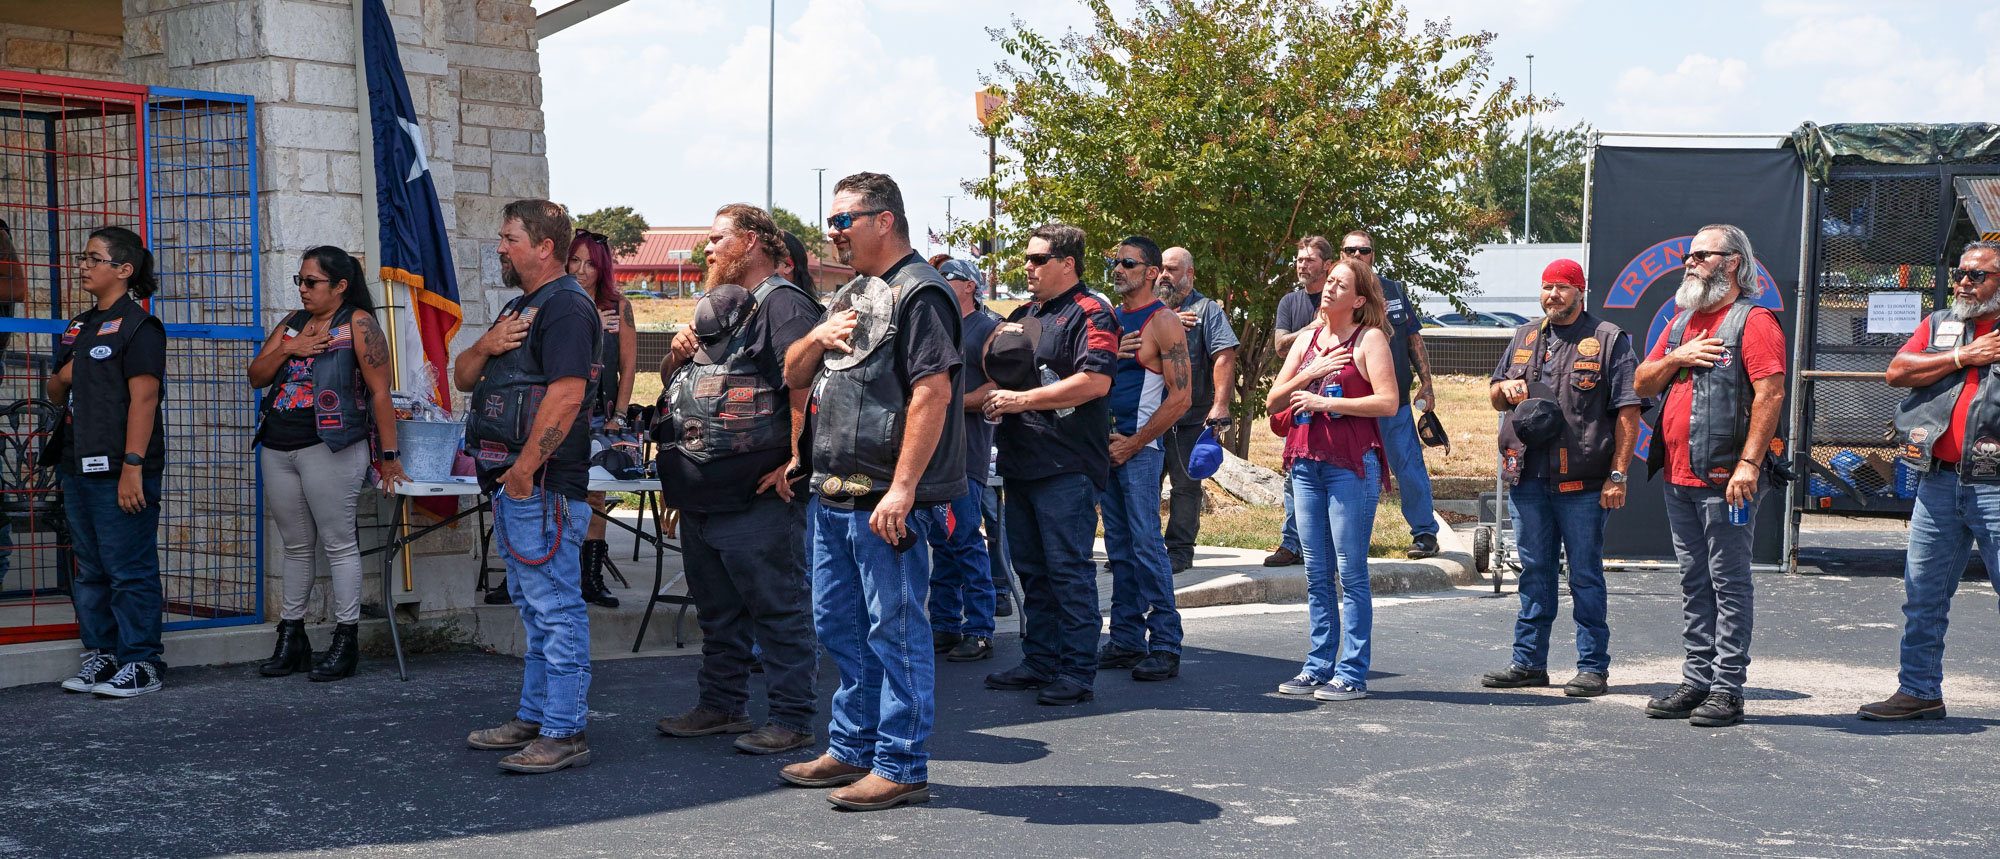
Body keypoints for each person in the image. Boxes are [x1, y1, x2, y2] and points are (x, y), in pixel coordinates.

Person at [780, 172, 963, 811]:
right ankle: (852, 747)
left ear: (884, 221)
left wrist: (904, 488)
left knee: (897, 632)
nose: (833, 232)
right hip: (833, 493)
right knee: (840, 627)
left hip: (884, 500)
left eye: (843, 220)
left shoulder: (922, 292)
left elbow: (933, 393)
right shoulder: (852, 293)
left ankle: (902, 764)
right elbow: (793, 373)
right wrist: (815, 335)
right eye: (830, 221)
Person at [654, 203, 822, 755]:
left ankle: (792, 718)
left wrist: (796, 460)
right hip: (705, 496)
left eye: (716, 238)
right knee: (717, 612)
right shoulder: (720, 307)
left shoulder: (783, 303)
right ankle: (722, 705)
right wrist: (675, 355)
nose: (707, 248)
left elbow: (806, 385)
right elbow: (681, 387)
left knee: (778, 610)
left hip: (758, 497)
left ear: (750, 241)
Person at [457, 200, 603, 773]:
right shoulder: (521, 307)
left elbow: (567, 394)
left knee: (556, 609)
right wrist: (486, 345)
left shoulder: (565, 306)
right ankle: (537, 716)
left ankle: (564, 732)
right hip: (519, 487)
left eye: (510, 238)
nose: (500, 247)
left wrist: (523, 472)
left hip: (540, 487)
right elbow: (462, 375)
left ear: (544, 247)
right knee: (535, 608)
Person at [1633, 223, 1786, 729]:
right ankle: (1696, 680)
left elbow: (1770, 395)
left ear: (1733, 262)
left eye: (1702, 255)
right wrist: (1675, 357)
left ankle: (1727, 689)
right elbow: (1641, 382)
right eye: (1689, 255)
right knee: (1694, 581)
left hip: (1727, 480)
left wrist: (1749, 464)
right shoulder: (1681, 323)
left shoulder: (1753, 321)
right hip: (1679, 478)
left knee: (1729, 582)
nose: (1690, 262)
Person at [246, 246, 410, 682]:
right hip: (278, 444)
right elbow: (257, 375)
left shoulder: (359, 322)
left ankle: (345, 638)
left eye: (311, 282)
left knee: (338, 543)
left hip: (331, 444)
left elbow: (380, 392)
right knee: (295, 545)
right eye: (299, 281)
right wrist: (291, 348)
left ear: (340, 285)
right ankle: (292, 636)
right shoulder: (293, 323)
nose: (302, 289)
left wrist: (389, 457)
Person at [1480, 259, 1642, 698]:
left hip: (1582, 484)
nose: (1553, 294)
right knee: (1534, 572)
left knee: (1584, 575)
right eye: (1547, 286)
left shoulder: (1608, 339)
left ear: (1580, 292)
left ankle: (1592, 667)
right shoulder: (1524, 335)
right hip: (1527, 477)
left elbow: (1628, 412)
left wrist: (1618, 475)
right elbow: (1495, 394)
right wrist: (1504, 391)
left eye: (1563, 287)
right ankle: (1528, 663)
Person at [981, 223, 1118, 706]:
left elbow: (1095, 382)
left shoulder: (1093, 311)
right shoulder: (1022, 314)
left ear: (1067, 263)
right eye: (1027, 258)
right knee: (1031, 571)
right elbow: (1002, 376)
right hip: (1020, 461)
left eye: (1038, 259)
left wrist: (1020, 400)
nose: (1028, 266)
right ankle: (1040, 660)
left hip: (1067, 465)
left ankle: (1077, 671)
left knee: (1067, 572)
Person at [1865, 241, 2000, 721]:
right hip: (1938, 481)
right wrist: (1964, 356)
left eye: (1977, 275)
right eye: (1960, 273)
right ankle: (1919, 691)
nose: (1963, 282)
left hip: (1995, 485)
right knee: (1923, 594)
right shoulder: (1942, 324)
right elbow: (1897, 372)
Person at [1265, 257, 1397, 702]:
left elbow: (1388, 402)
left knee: (1350, 571)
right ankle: (1318, 666)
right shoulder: (1307, 339)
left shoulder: (1369, 338)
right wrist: (1309, 374)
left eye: (1341, 284)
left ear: (1358, 300)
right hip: (1305, 464)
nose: (1329, 288)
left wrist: (1327, 404)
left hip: (1351, 466)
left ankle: (1352, 673)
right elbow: (1273, 401)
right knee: (1316, 572)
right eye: (1329, 281)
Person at [50, 227, 168, 698]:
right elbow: (54, 389)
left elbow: (145, 400)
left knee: (128, 568)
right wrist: (68, 373)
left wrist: (132, 467)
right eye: (83, 258)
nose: (83, 266)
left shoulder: (140, 326)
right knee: (91, 569)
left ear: (123, 270)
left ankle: (142, 662)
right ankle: (103, 654)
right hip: (76, 463)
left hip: (121, 468)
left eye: (93, 259)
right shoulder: (78, 325)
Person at [1096, 236, 1190, 682]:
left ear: (1151, 272)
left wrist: (1134, 444)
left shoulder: (1163, 322)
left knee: (1147, 545)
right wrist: (1109, 355)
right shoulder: (1110, 320)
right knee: (1118, 549)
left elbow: (1181, 398)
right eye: (1115, 262)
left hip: (1140, 452)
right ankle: (1127, 638)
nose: (1119, 269)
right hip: (1107, 450)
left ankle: (1166, 643)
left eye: (1129, 263)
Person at [1339, 229, 1440, 559]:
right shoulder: (1334, 292)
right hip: (1350, 403)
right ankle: (1348, 537)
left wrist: (1427, 383)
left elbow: (1413, 338)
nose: (1357, 255)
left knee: (1409, 467)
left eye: (1364, 250)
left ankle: (1424, 533)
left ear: (1373, 254)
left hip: (1392, 403)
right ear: (1341, 255)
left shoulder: (1393, 290)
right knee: (1350, 471)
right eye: (1350, 250)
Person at [925, 257, 1003, 663]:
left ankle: (979, 629)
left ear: (970, 285)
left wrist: (948, 402)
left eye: (947, 277)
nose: (938, 283)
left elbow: (999, 386)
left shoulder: (987, 328)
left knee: (967, 539)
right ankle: (944, 624)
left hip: (967, 452)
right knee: (943, 541)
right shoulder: (938, 326)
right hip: (933, 453)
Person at [1155, 246, 1238, 572]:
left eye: (1172, 269)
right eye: (1161, 268)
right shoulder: (1148, 309)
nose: (1164, 275)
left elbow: (1224, 355)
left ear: (1189, 274)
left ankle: (1178, 552)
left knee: (1186, 487)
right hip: (1148, 419)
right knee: (1141, 486)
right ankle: (1140, 549)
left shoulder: (1207, 311)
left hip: (1189, 419)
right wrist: (1165, 321)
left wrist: (1220, 405)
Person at [1265, 236, 1331, 567]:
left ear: (1327, 265)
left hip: (1333, 399)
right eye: (1299, 260)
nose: (1302, 265)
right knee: (1295, 473)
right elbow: (1280, 347)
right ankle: (1291, 543)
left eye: (1309, 260)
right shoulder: (1290, 302)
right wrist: (1312, 328)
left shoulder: (1337, 297)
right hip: (1297, 398)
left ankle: (1322, 543)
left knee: (1331, 472)